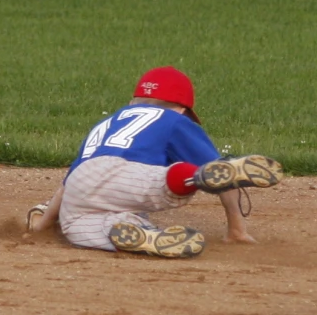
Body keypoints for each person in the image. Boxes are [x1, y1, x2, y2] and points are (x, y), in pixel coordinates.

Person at [25, 66, 281, 259]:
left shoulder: (105, 124)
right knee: (161, 184)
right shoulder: (173, 120)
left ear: (132, 102)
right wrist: (236, 228)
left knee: (78, 230)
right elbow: (224, 182)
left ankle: (141, 233)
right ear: (182, 109)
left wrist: (44, 226)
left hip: (79, 186)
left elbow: (66, 186)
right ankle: (192, 177)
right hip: (127, 174)